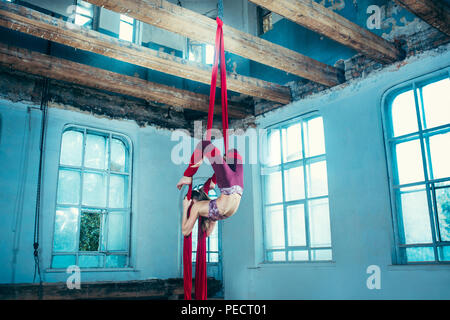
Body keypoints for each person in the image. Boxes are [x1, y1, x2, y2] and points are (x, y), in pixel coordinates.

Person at [177, 140, 243, 237]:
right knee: (207, 146)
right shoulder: (206, 211)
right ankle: (187, 175)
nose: (191, 211)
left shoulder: (202, 208)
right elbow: (199, 233)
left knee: (212, 147)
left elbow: (187, 231)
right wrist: (186, 206)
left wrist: (186, 207)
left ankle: (189, 176)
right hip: (233, 183)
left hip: (236, 188)